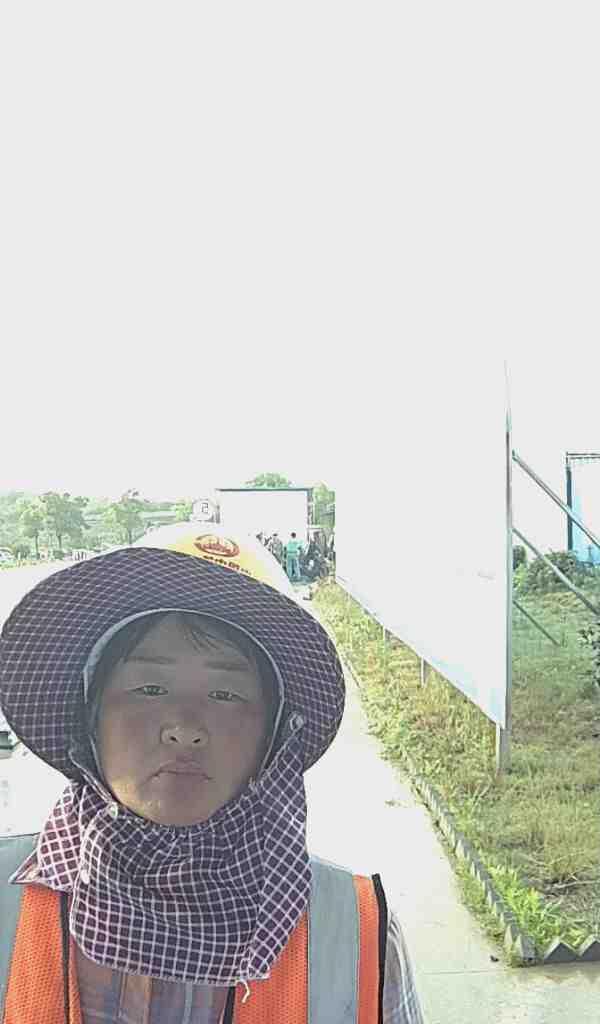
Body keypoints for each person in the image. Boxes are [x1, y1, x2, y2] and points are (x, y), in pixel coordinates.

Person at [0, 524, 425, 1023]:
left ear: (273, 738)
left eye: (225, 695)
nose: (184, 729)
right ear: (89, 717)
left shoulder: (357, 931)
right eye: (149, 689)